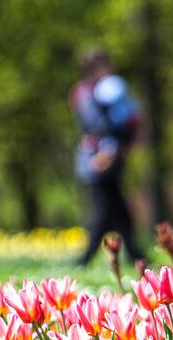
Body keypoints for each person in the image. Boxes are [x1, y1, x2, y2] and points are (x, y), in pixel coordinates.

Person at [70, 50, 144, 265]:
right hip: (96, 160)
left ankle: (135, 255)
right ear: (91, 68)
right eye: (103, 65)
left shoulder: (108, 91)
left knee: (120, 212)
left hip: (111, 158)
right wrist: (110, 148)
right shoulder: (85, 93)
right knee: (102, 212)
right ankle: (84, 259)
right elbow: (97, 125)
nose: (109, 70)